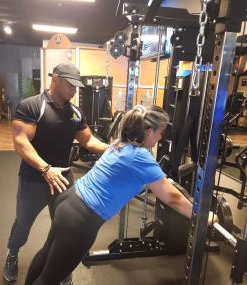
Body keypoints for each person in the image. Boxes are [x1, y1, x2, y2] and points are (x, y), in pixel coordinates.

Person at [25, 105, 217, 285]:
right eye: (160, 132)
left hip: (68, 201)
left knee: (45, 255)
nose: (160, 137)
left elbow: (132, 179)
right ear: (149, 131)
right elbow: (172, 198)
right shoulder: (141, 157)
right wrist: (200, 216)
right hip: (80, 221)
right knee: (50, 279)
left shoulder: (119, 143)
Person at [3, 62, 108, 284]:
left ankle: (60, 269)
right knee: (23, 223)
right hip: (34, 177)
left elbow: (88, 140)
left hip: (63, 178)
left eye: (76, 86)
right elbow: (20, 142)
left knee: (63, 227)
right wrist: (45, 169)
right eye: (70, 85)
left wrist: (118, 149)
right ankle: (12, 254)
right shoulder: (33, 106)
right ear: (56, 78)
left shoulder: (75, 112)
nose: (74, 90)